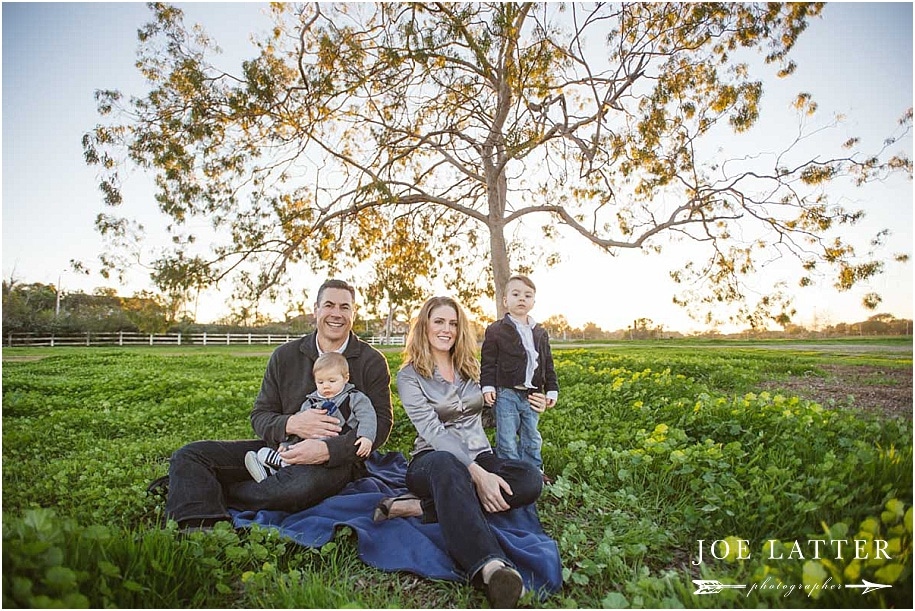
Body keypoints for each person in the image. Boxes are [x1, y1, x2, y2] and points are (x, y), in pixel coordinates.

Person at [164, 279, 393, 530]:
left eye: (344, 307)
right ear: (316, 310)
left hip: (337, 460)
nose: (336, 314)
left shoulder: (371, 361)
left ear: (353, 313)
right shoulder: (285, 356)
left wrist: (328, 450)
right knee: (191, 454)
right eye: (329, 305)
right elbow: (260, 415)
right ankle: (199, 525)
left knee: (295, 487)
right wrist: (292, 423)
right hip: (280, 450)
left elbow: (381, 423)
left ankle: (209, 488)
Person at [375, 296, 544, 608]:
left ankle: (422, 508)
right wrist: (478, 475)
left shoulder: (471, 368)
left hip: (480, 453)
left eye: (453, 323)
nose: (447, 329)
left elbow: (493, 414)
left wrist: (531, 403)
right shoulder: (409, 375)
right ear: (424, 326)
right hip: (433, 461)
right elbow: (433, 431)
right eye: (439, 321)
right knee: (448, 465)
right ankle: (491, 567)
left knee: (529, 478)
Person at [244, 352, 377, 482]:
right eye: (320, 382)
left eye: (332, 381)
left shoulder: (354, 398)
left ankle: (280, 467)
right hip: (308, 442)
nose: (326, 386)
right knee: (297, 451)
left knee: (309, 473)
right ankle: (280, 463)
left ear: (346, 378)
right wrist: (287, 443)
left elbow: (368, 417)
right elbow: (299, 426)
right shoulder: (311, 402)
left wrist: (366, 437)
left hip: (336, 443)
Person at [481, 275, 559, 483]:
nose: (522, 298)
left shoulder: (540, 332)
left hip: (532, 394)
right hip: (506, 392)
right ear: (505, 301)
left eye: (528, 295)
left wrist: (551, 389)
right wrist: (487, 386)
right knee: (506, 436)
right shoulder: (496, 330)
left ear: (533, 301)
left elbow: (547, 363)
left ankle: (534, 472)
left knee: (531, 435)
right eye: (516, 294)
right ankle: (511, 473)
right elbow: (488, 362)